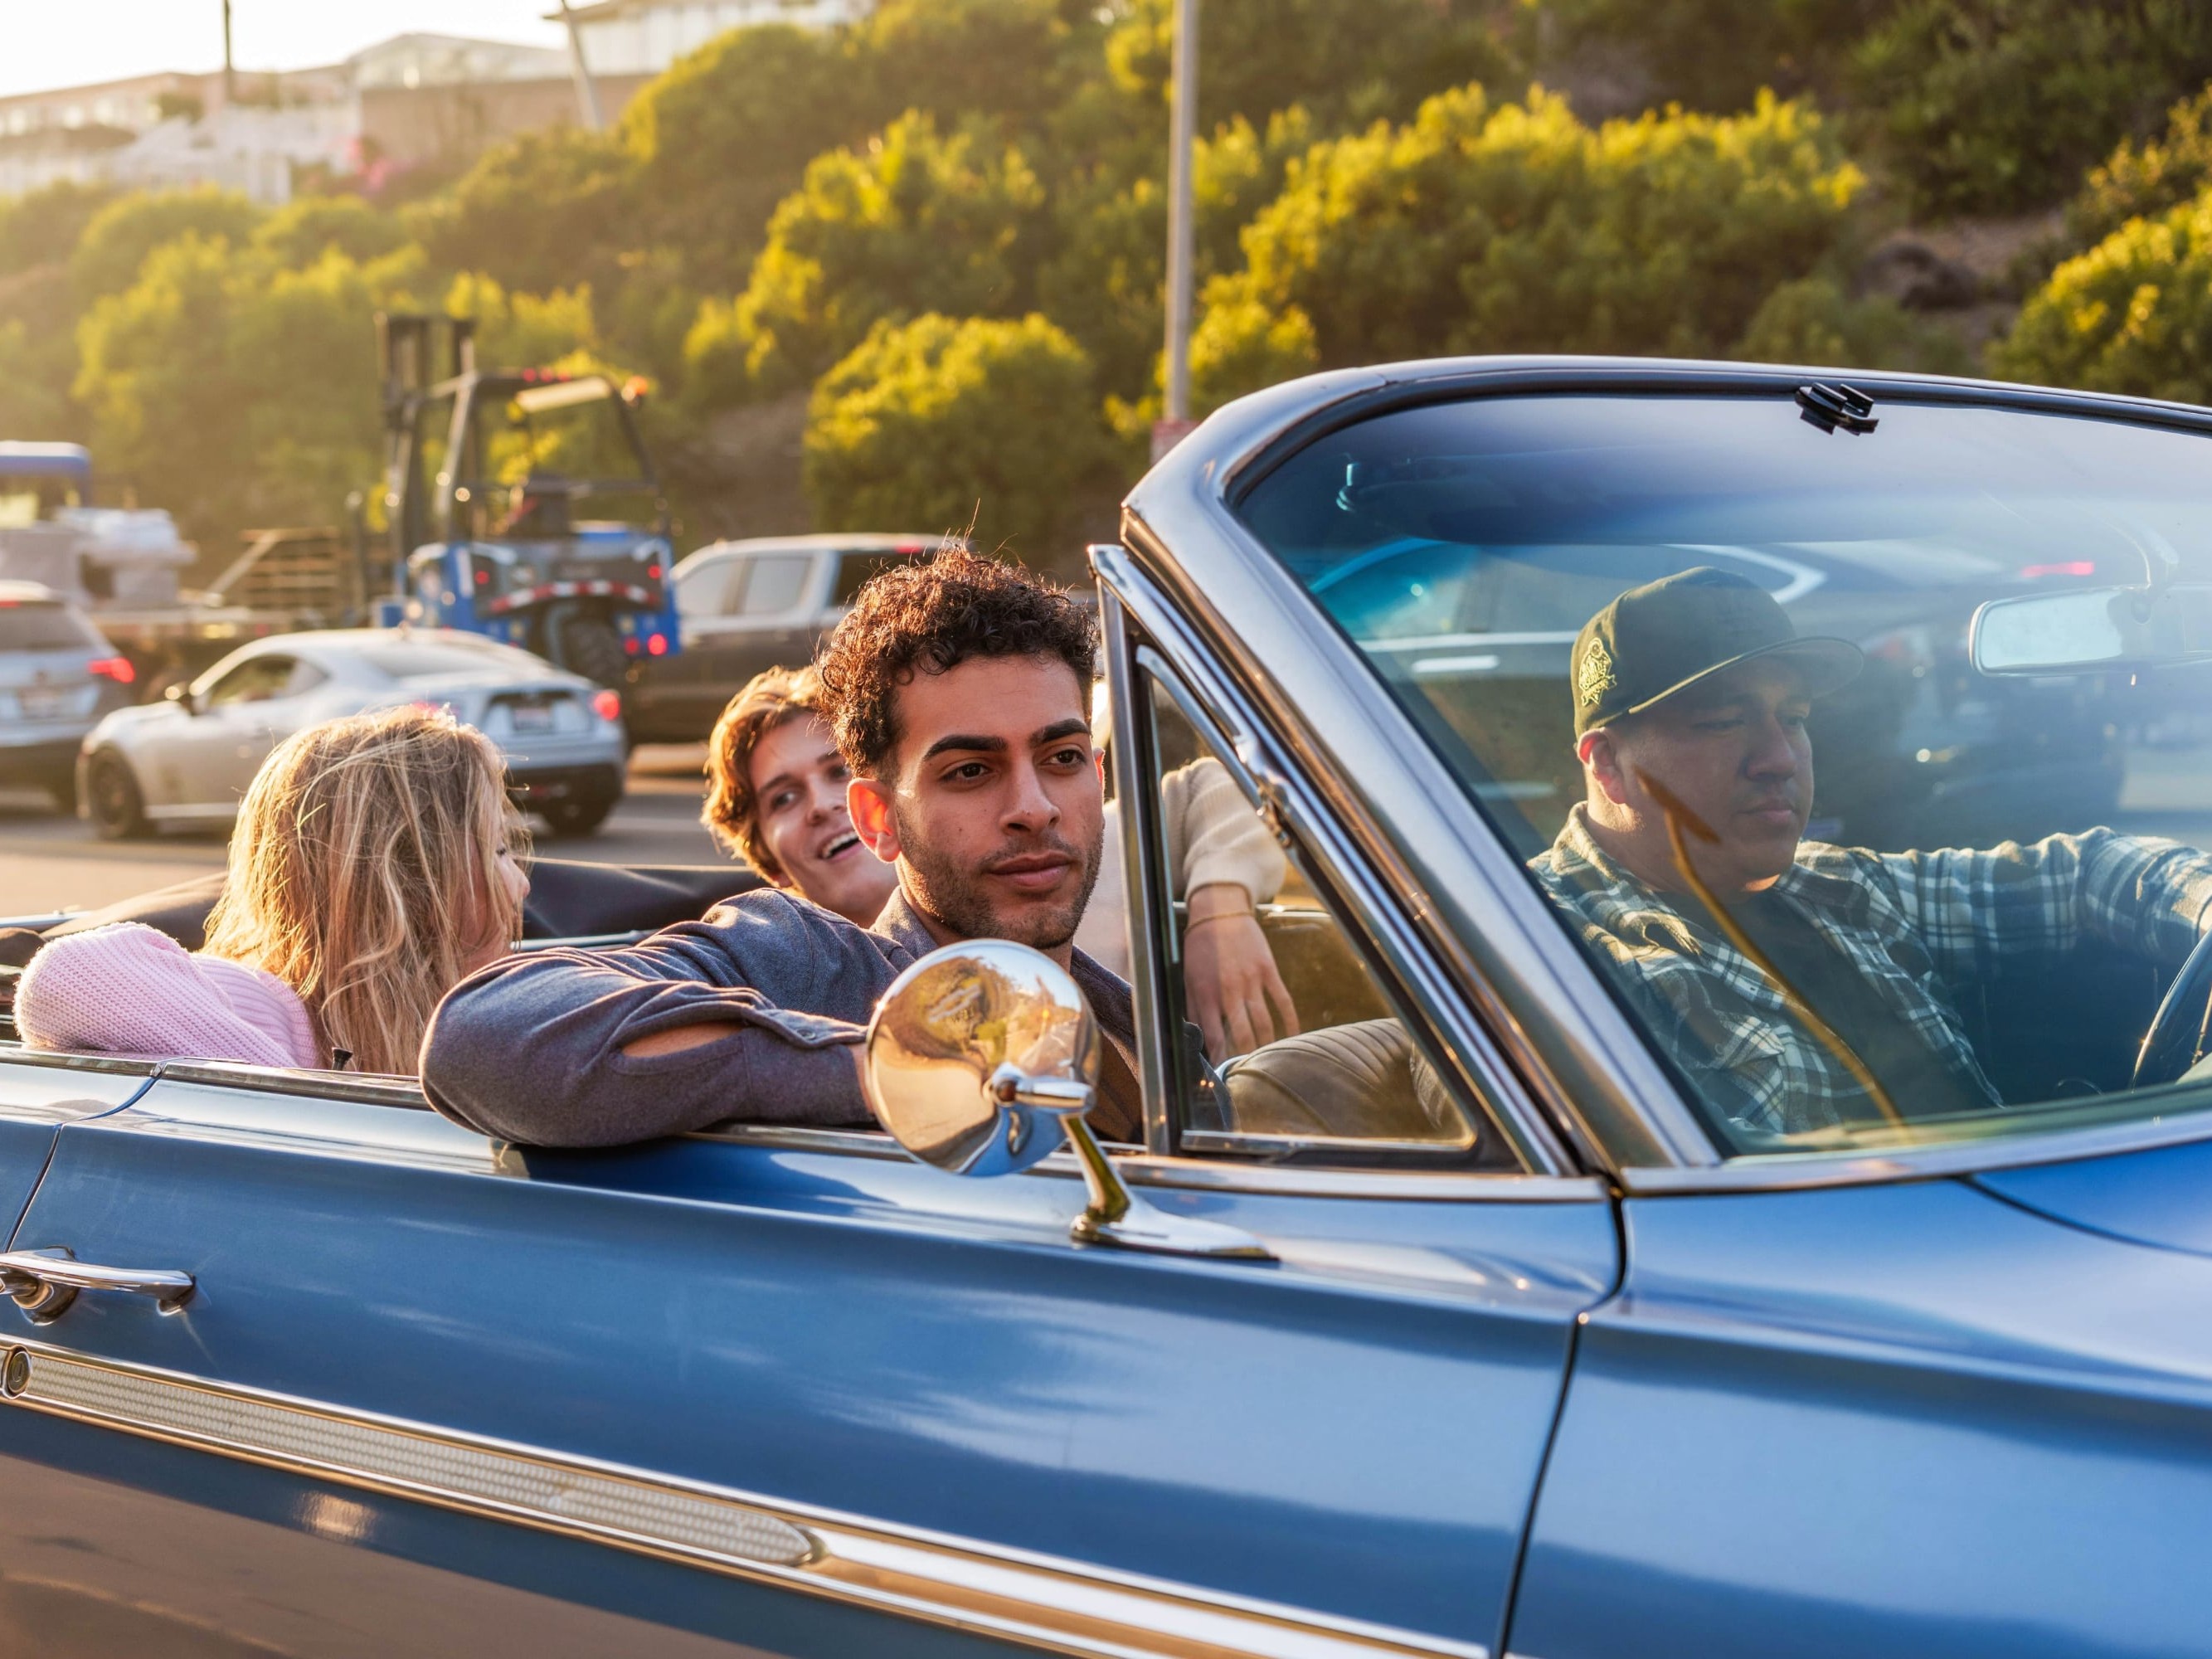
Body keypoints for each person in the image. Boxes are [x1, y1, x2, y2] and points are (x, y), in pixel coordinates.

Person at [423, 551, 1144, 1146]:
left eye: (1063, 757)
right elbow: (482, 1033)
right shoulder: (815, 961)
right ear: (877, 817)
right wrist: (894, 1067)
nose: (1033, 808)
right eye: (969, 772)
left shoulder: (1136, 1020)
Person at [1532, 566, 2212, 1138]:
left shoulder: (1835, 888)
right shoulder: (1535, 961)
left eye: (1793, 718)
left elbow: (2087, 870)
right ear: (1608, 764)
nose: (1777, 757)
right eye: (1721, 722)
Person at [701, 664, 1296, 1056]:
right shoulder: (789, 965)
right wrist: (896, 1071)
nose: (822, 805)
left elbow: (1226, 785)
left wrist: (1220, 909)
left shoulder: (1064, 851)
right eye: (784, 797)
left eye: (835, 772)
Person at [17, 707, 530, 1075]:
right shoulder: (276, 1006)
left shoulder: (453, 1015)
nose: (524, 884)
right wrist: (294, 1097)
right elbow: (71, 978)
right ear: (411, 885)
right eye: (500, 852)